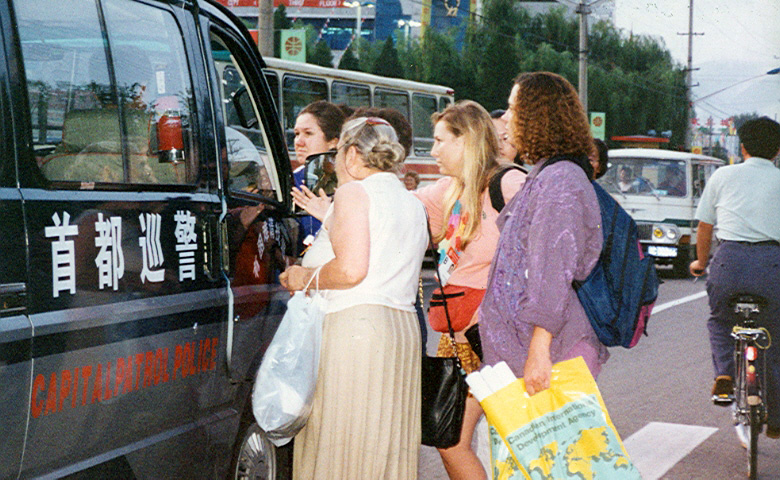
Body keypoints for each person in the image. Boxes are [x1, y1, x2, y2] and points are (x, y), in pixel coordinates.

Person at [280, 116, 428, 479]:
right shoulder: (411, 203)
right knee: (383, 445)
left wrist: (303, 277)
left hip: (356, 331)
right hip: (401, 331)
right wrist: (329, 217)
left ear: (349, 155)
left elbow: (351, 270)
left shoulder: (353, 193)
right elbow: (378, 247)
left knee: (341, 441)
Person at [479, 72, 608, 398]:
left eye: (513, 108)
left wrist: (539, 351)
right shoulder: (548, 174)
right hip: (530, 351)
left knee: (553, 451)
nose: (506, 118)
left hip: (551, 356)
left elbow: (553, 270)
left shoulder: (560, 181)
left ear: (538, 117)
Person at [415, 100, 525, 480]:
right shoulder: (447, 189)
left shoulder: (509, 183)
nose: (433, 151)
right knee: (450, 438)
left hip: (495, 337)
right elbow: (395, 212)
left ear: (467, 141)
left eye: (440, 140)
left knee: (506, 439)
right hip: (456, 338)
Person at [689, 116, 780, 441]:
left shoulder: (723, 175)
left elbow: (705, 227)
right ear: (778, 150)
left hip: (729, 263)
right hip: (772, 266)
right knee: (775, 334)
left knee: (720, 322)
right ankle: (778, 415)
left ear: (741, 146)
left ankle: (725, 374)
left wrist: (701, 261)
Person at [291, 101, 346, 245]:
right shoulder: (292, 180)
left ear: (333, 142)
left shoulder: (349, 182)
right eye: (296, 134)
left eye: (308, 133)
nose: (299, 142)